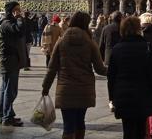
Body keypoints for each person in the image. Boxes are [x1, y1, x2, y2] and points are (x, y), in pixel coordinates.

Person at [42, 11, 107, 139]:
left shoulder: (61, 42)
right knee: (80, 121)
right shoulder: (90, 42)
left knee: (68, 125)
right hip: (84, 89)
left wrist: (45, 87)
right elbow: (100, 69)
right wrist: (116, 71)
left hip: (66, 89)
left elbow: (52, 68)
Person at [108, 16, 152, 139]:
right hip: (143, 94)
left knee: (127, 130)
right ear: (138, 29)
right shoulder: (147, 47)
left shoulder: (117, 49)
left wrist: (112, 97)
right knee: (141, 131)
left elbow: (111, 76)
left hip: (123, 96)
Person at [0, 1, 26, 127]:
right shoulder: (7, 24)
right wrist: (19, 18)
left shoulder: (7, 23)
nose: (20, 12)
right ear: (12, 11)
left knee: (6, 89)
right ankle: (7, 117)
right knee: (10, 90)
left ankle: (5, 115)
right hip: (9, 61)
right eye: (17, 10)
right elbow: (19, 30)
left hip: (9, 60)